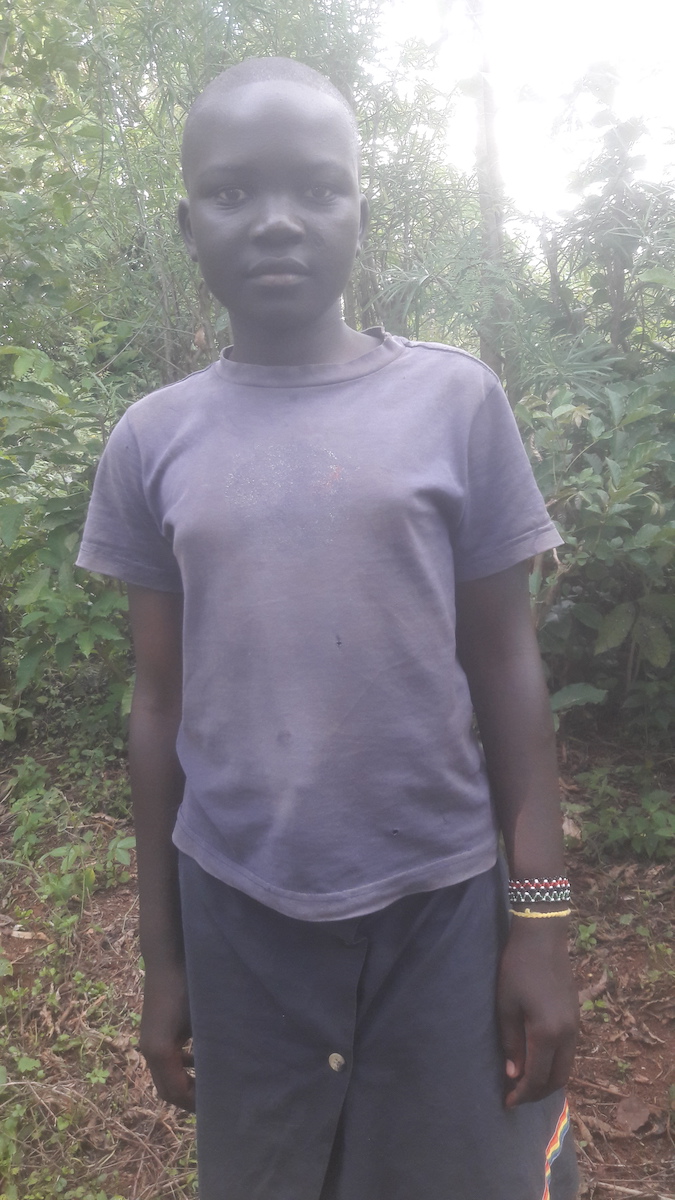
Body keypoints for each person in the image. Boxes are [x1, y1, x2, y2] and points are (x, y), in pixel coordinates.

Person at [77, 56, 580, 1200]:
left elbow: (507, 666)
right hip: (239, 913)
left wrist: (540, 921)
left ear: (363, 209)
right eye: (232, 192)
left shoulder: (455, 404)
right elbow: (158, 705)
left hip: (440, 908)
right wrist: (165, 957)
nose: (276, 221)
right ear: (187, 223)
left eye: (316, 188)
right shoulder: (152, 440)